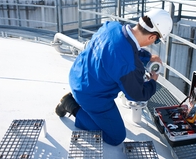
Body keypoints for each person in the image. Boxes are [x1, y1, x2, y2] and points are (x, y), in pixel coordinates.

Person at [55, 8, 173, 146]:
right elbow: (137, 95)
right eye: (156, 41)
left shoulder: (112, 26)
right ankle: (71, 106)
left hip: (77, 75)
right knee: (116, 136)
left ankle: (77, 100)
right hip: (91, 95)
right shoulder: (129, 66)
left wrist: (148, 57)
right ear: (152, 37)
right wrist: (153, 81)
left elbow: (123, 46)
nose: (154, 43)